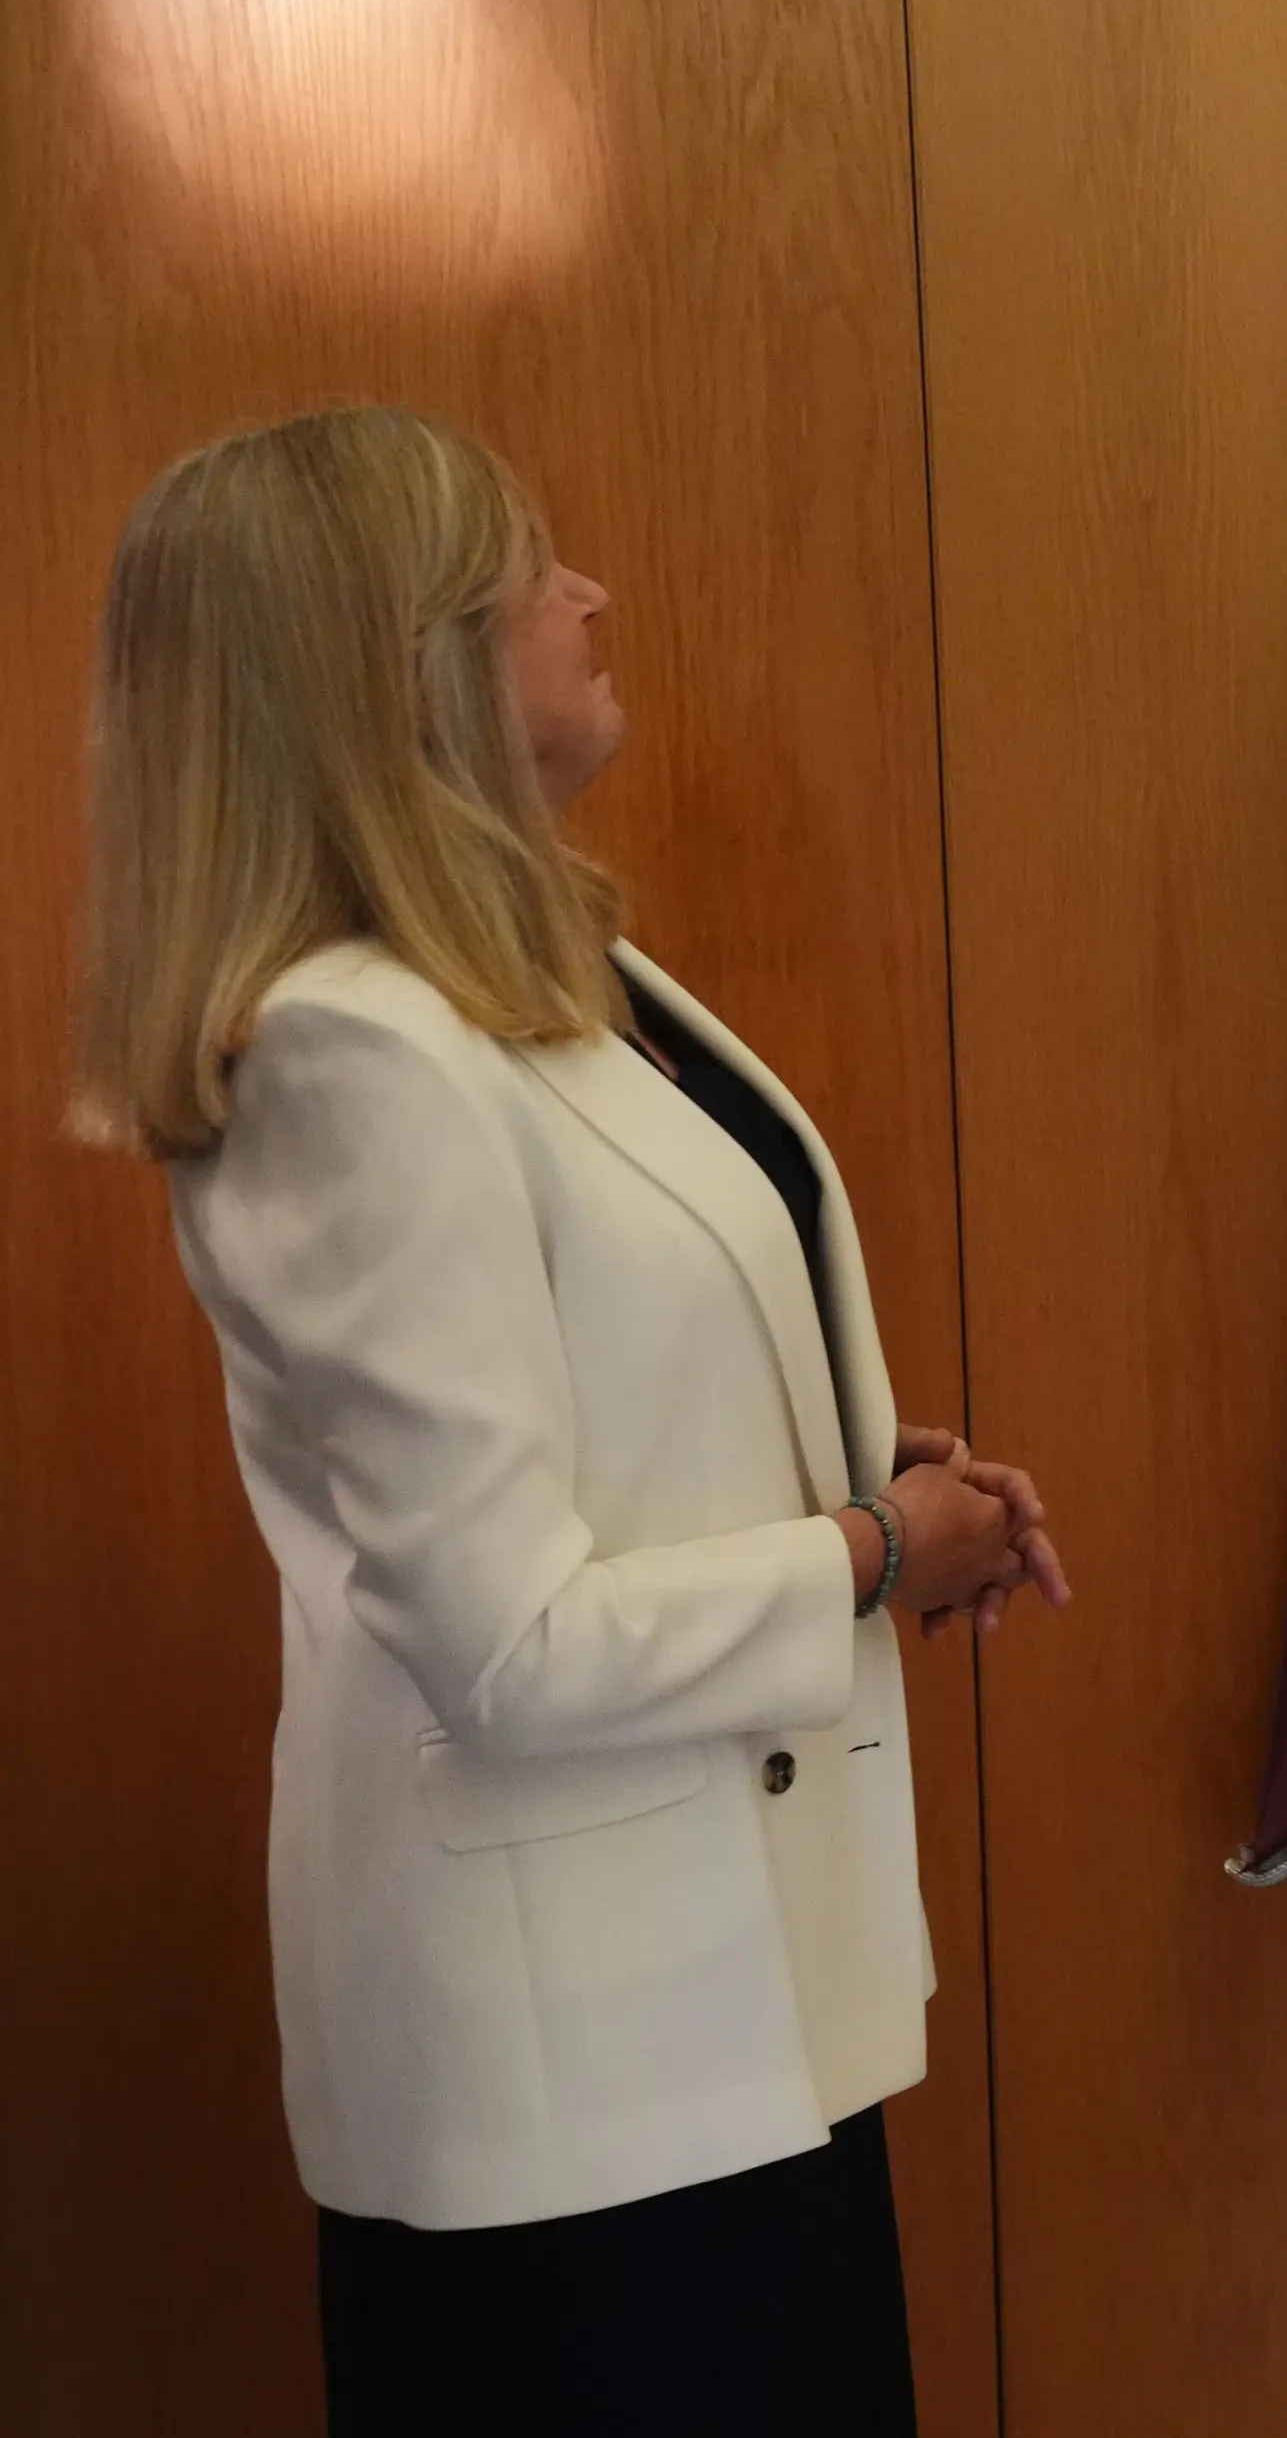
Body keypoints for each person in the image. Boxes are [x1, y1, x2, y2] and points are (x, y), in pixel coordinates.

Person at [68, 408, 1070, 2437]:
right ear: (401, 659)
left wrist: (866, 1480)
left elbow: (615, 1395)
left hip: (721, 2010)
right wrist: (876, 1562)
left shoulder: (556, 968)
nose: (593, 594)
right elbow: (510, 1639)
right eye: (533, 568)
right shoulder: (349, 1048)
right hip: (575, 2088)